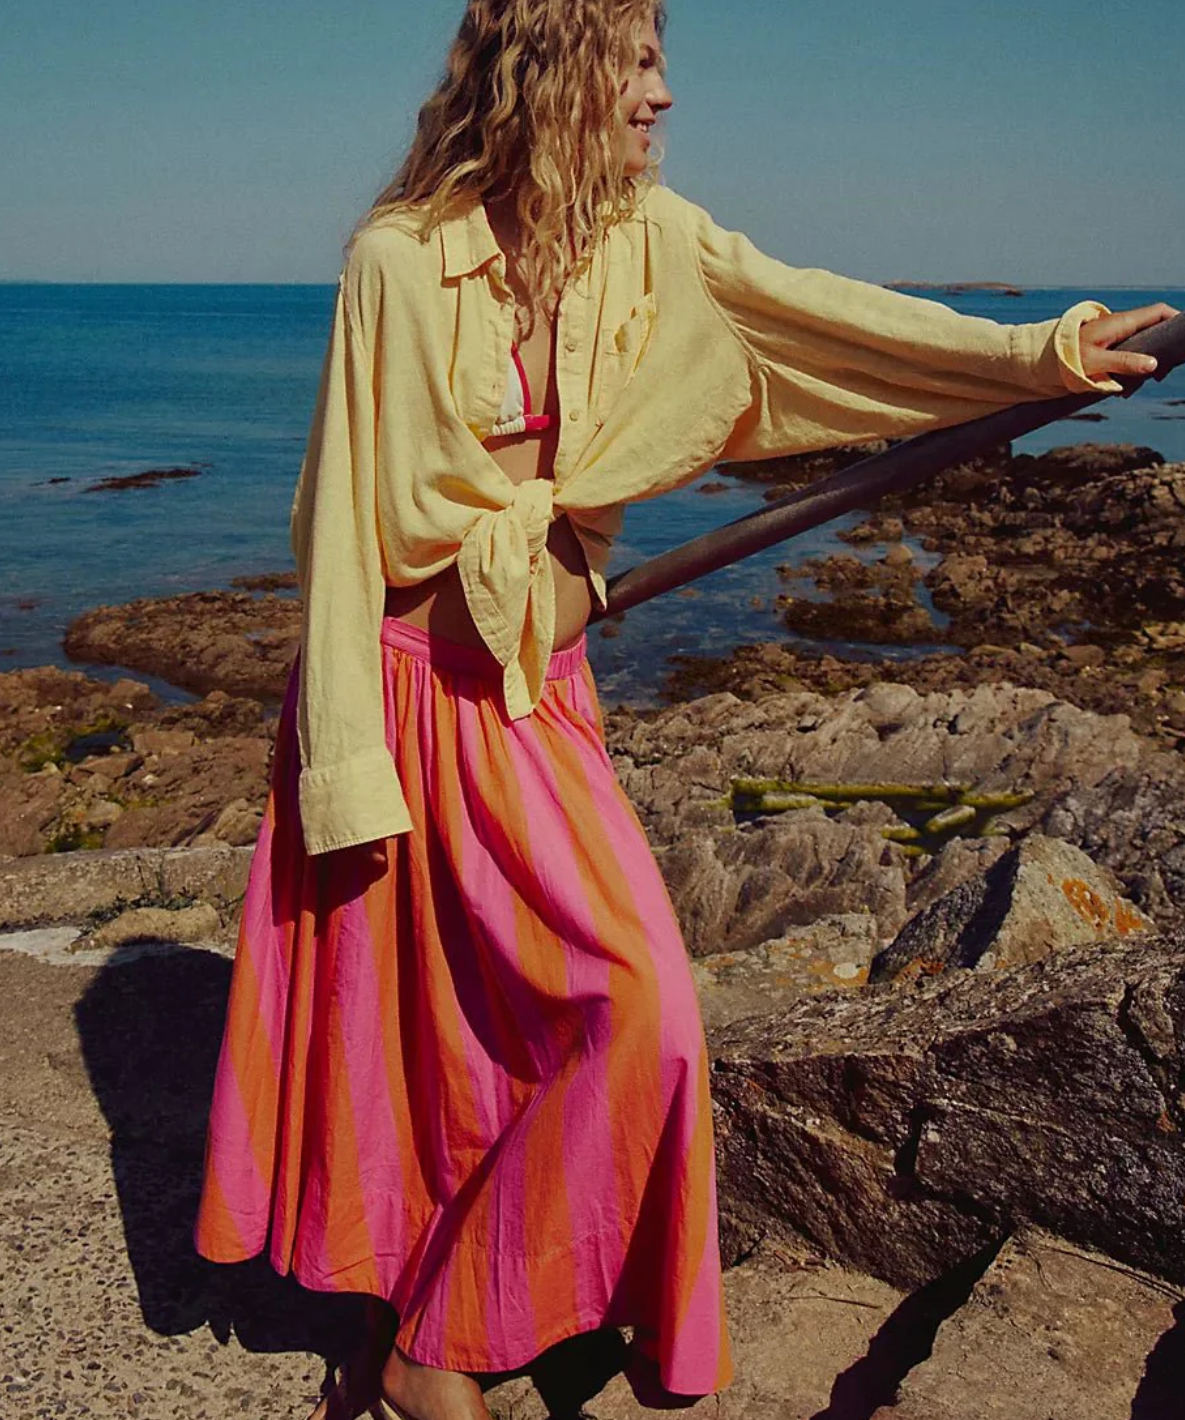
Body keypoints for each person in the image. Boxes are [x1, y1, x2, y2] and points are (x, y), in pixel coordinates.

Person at [192, 3, 1175, 1417]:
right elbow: (340, 527)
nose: (663, 94)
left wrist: (1041, 358)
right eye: (638, 61)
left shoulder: (652, 242)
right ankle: (417, 1336)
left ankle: (437, 1332)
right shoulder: (400, 260)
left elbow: (826, 323)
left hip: (536, 692)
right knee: (438, 1029)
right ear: (555, 68)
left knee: (633, 1002)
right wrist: (344, 768)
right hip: (406, 691)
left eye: (660, 63)